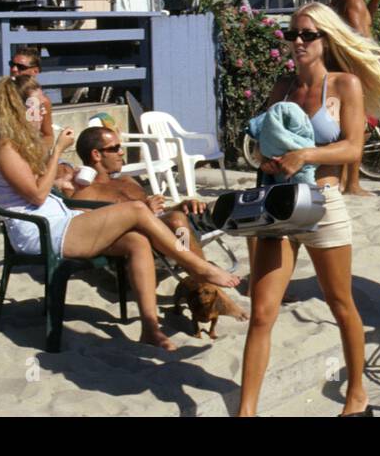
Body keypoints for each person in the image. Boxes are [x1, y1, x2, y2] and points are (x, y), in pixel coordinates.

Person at [239, 3, 380, 417]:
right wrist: (268, 160)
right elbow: (266, 140)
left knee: (340, 303)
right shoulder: (282, 87)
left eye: (307, 34)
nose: (298, 42)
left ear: (326, 39)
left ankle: (356, 396)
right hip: (277, 204)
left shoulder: (343, 86)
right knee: (262, 311)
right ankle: (246, 412)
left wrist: (306, 155)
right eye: (292, 34)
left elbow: (353, 147)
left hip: (322, 202)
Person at [0, 74, 238, 350]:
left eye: (44, 105)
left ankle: (149, 328)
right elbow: (35, 194)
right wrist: (57, 151)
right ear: (17, 108)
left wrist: (60, 176)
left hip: (60, 221)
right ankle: (198, 268)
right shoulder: (3, 146)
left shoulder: (20, 145)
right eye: (37, 106)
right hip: (40, 232)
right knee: (138, 210)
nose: (43, 111)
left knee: (137, 240)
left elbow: (40, 187)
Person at [69, 126, 247, 319]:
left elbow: (160, 213)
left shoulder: (127, 179)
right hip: (153, 241)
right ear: (96, 154)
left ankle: (196, 267)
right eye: (115, 148)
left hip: (175, 235)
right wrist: (147, 212)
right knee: (178, 221)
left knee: (224, 206)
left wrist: (182, 205)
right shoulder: (86, 193)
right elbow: (92, 234)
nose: (122, 152)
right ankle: (207, 281)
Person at [331, 0, 380, 199]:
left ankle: (343, 181)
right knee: (360, 129)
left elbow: (365, 20)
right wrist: (373, 68)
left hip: (342, 71)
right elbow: (358, 40)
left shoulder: (345, 1)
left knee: (352, 129)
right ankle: (352, 184)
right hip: (354, 72)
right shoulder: (353, 2)